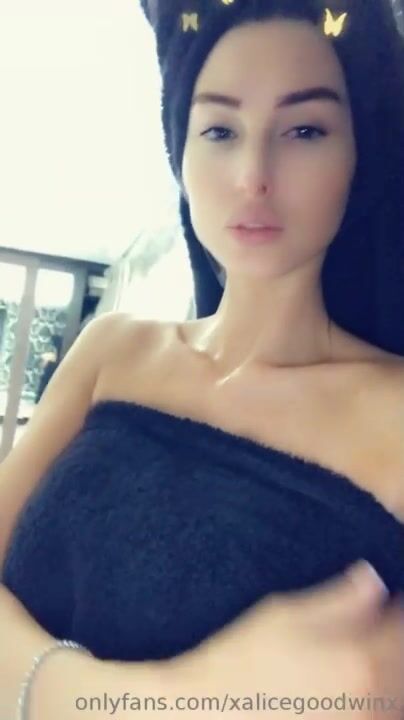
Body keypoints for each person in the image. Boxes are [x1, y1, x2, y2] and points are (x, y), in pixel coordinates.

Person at [0, 0, 404, 717]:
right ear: (181, 154)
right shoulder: (112, 349)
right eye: (219, 129)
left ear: (358, 158)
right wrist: (156, 697)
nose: (253, 175)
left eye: (305, 130)